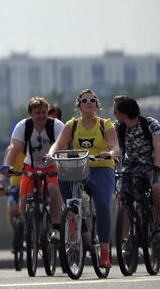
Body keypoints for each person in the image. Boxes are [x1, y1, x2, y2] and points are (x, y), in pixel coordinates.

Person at [46, 89, 119, 268]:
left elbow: (115, 147)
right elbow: (59, 143)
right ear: (79, 104)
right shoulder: (73, 124)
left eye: (92, 100)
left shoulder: (105, 124)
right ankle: (73, 217)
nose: (89, 102)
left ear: (96, 104)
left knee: (102, 204)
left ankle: (104, 252)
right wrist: (51, 153)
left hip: (101, 167)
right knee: (65, 183)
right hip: (79, 167)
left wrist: (109, 154)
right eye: (85, 100)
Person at [0, 96, 65, 241]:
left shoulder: (56, 125)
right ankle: (29, 227)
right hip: (31, 165)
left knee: (54, 190)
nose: (42, 116)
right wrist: (6, 167)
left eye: (44, 112)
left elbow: (62, 145)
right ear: (30, 113)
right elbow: (14, 148)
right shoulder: (23, 126)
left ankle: (55, 227)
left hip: (51, 165)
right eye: (37, 113)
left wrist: (53, 156)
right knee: (23, 199)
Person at [112, 94, 160, 239]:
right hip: (130, 167)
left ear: (122, 113)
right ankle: (125, 239)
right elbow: (114, 148)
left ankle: (157, 221)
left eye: (116, 111)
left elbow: (158, 145)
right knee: (121, 196)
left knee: (157, 188)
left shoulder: (150, 123)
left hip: (151, 165)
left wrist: (156, 166)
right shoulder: (118, 127)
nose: (115, 114)